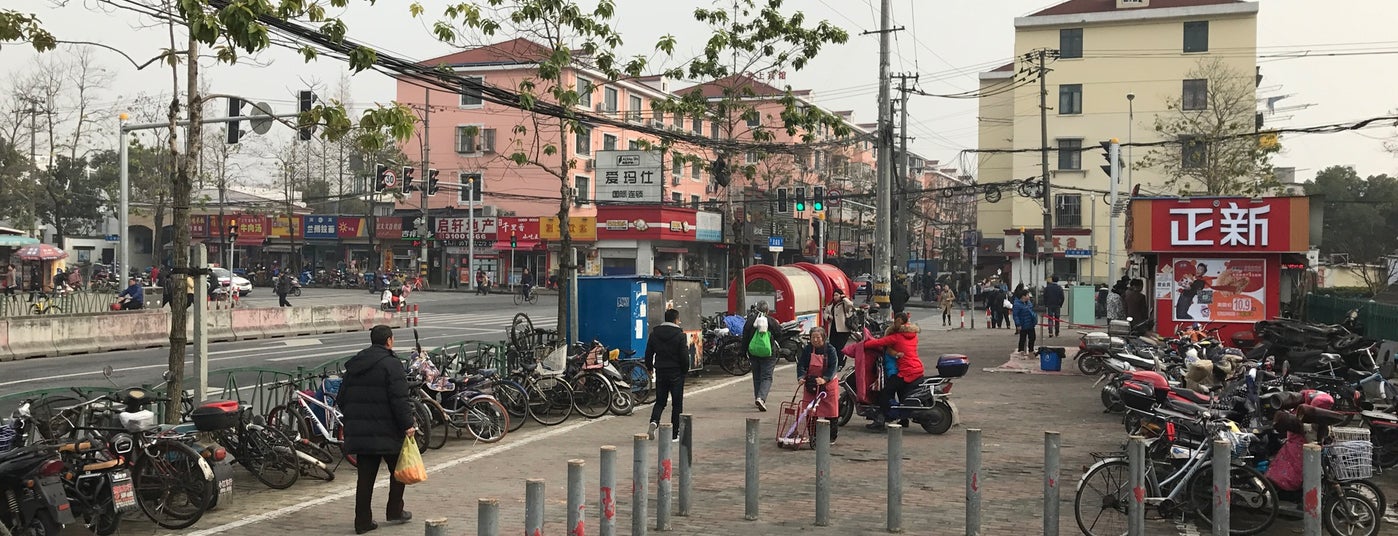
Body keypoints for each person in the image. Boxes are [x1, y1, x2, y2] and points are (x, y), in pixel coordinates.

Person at [339, 325, 415, 534]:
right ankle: (394, 510)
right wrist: (408, 425)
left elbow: (341, 398)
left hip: (362, 431)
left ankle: (362, 522)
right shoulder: (392, 364)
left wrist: (355, 418)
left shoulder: (356, 364)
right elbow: (400, 399)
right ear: (389, 341)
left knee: (365, 478)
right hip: (388, 430)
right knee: (399, 471)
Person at [862, 311, 922, 431]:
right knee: (902, 392)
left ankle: (882, 420)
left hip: (906, 371)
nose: (895, 323)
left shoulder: (896, 338)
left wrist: (862, 344)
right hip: (917, 369)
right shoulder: (913, 335)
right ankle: (903, 419)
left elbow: (877, 343)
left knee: (885, 394)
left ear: (899, 322)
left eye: (896, 321)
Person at [645, 309, 688, 441]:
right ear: (676, 319)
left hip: (661, 371)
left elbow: (648, 353)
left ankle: (654, 421)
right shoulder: (680, 335)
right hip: (676, 372)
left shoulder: (654, 334)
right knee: (677, 404)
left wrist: (649, 367)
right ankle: (675, 434)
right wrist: (684, 370)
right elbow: (684, 356)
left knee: (660, 401)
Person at [796, 326, 841, 443]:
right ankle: (813, 435)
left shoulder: (830, 350)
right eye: (813, 337)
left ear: (823, 338)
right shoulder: (807, 349)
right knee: (810, 411)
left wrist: (825, 379)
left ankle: (831, 436)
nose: (815, 340)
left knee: (831, 411)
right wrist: (801, 377)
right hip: (811, 383)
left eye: (818, 337)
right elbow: (801, 365)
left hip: (828, 384)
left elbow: (833, 366)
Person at [741, 300, 777, 411]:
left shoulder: (750, 321)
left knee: (757, 377)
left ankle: (758, 397)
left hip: (753, 353)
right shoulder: (771, 321)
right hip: (768, 354)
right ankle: (761, 398)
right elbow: (779, 332)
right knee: (766, 377)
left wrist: (743, 353)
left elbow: (745, 338)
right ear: (767, 310)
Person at [823, 288, 855, 361]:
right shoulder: (830, 304)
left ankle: (840, 361)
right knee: (833, 346)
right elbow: (825, 313)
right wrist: (828, 317)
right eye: (834, 295)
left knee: (840, 347)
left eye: (837, 295)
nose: (835, 297)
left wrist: (844, 298)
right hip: (833, 329)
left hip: (843, 329)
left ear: (840, 295)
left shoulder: (844, 303)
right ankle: (834, 361)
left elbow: (850, 304)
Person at [1013, 290, 1038, 357]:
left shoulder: (1029, 303)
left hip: (1030, 323)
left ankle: (1031, 351)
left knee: (1032, 337)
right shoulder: (1017, 304)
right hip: (1023, 324)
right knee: (1022, 338)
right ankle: (1021, 351)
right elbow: (1015, 315)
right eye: (1027, 295)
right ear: (1023, 296)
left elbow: (1031, 311)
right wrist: (1018, 324)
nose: (1028, 296)